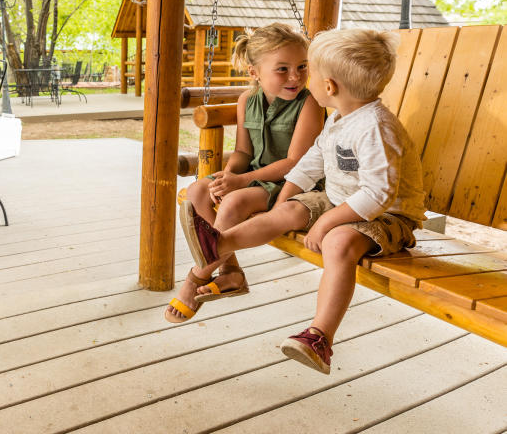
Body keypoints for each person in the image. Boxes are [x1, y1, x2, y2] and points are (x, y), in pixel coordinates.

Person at [182, 28, 425, 374]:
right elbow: (311, 161)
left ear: (329, 87)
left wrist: (327, 221)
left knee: (338, 240)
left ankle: (320, 337)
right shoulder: (342, 119)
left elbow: (378, 194)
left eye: (308, 70)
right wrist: (284, 200)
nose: (301, 78)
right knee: (291, 210)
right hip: (340, 200)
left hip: (389, 216)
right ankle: (217, 245)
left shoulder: (375, 127)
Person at [166, 23, 324, 323]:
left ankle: (195, 279)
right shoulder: (246, 101)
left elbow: (296, 163)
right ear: (255, 73)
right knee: (199, 190)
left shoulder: (310, 103)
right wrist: (226, 178)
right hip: (253, 175)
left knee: (234, 202)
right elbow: (243, 153)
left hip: (292, 185)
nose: (295, 76)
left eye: (302, 66)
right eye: (283, 69)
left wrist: (239, 183)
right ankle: (229, 270)